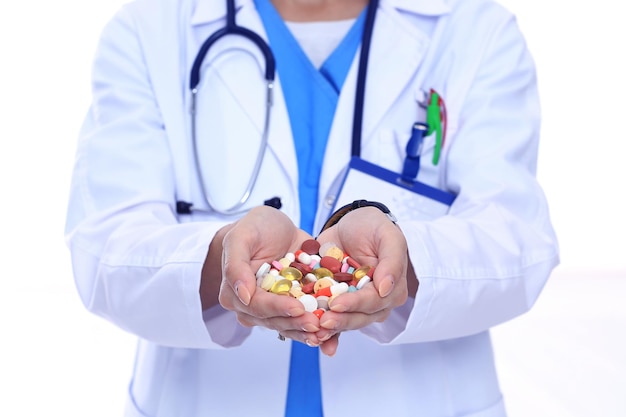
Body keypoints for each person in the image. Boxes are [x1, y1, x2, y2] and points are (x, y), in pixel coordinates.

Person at [64, 0, 559, 416]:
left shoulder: (475, 29)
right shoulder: (149, 30)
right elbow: (104, 245)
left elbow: (517, 239)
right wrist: (220, 258)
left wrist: (405, 261)